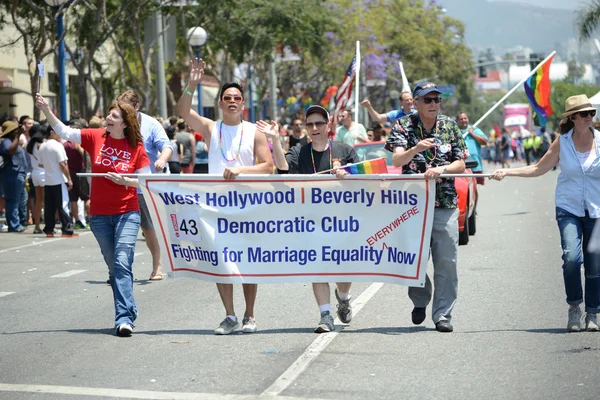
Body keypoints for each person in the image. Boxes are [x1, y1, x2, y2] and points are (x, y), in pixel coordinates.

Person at [36, 93, 151, 337]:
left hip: (127, 212)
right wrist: (46, 109)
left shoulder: (136, 147)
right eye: (108, 114)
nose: (107, 118)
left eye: (113, 116)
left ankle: (124, 318)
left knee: (121, 262)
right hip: (99, 215)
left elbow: (145, 181)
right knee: (115, 265)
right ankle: (128, 306)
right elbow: (65, 131)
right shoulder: (95, 136)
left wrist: (126, 181)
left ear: (125, 123)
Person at [177, 58, 273, 335]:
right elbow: (183, 111)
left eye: (237, 98)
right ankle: (229, 315)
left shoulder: (254, 131)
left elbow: (268, 167)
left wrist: (242, 170)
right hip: (216, 205)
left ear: (243, 104)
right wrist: (192, 84)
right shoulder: (210, 128)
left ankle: (250, 315)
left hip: (246, 206)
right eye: (227, 97)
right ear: (220, 103)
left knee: (247, 261)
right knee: (221, 260)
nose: (232, 101)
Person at [491, 94, 600, 332]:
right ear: (572, 117)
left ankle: (593, 313)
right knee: (572, 259)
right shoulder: (563, 142)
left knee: (595, 264)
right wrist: (507, 173)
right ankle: (574, 307)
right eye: (584, 114)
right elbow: (539, 168)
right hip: (568, 207)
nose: (590, 117)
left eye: (591, 113)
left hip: (596, 210)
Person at [384, 82, 468, 333]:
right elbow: (397, 159)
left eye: (437, 100)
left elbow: (460, 165)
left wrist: (441, 169)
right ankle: (420, 300)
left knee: (447, 261)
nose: (434, 104)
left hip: (445, 201)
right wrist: (416, 148)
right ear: (417, 103)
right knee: (416, 260)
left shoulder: (450, 126)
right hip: (413, 205)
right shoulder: (403, 125)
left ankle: (442, 314)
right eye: (428, 100)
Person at [264, 105, 355, 333]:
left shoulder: (344, 149)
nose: (314, 128)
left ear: (328, 126)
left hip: (342, 222)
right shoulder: (300, 152)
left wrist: (348, 174)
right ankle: (325, 315)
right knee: (318, 267)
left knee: (345, 271)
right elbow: (283, 169)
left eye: (319, 123)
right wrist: (275, 140)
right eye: (310, 124)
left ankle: (343, 297)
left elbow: (364, 178)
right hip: (311, 223)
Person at [117, 90, 174, 281]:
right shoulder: (115, 123)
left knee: (148, 228)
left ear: (137, 107)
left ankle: (157, 265)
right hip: (119, 184)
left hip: (143, 186)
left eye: (126, 109)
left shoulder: (151, 124)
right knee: (120, 229)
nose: (121, 113)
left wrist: (162, 160)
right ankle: (119, 269)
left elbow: (166, 146)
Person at [37, 125, 77, 238]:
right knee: (63, 205)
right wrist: (69, 179)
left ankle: (49, 229)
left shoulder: (42, 146)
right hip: (59, 180)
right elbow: (62, 164)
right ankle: (67, 229)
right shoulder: (58, 146)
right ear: (52, 132)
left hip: (48, 180)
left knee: (50, 206)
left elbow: (40, 163)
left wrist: (50, 165)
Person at [0, 121, 27, 232]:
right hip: (12, 174)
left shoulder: (12, 140)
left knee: (18, 200)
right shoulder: (5, 141)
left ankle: (17, 222)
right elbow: (10, 150)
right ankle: (14, 225)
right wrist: (17, 136)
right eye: (14, 130)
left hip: (18, 174)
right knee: (12, 200)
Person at [456, 112, 488, 184]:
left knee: (475, 189)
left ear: (468, 119)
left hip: (476, 166)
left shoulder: (475, 130)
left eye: (465, 118)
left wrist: (472, 134)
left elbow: (484, 142)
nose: (464, 120)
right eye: (461, 119)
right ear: (457, 121)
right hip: (461, 167)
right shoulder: (454, 131)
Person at [25, 126, 46, 233]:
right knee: (46, 201)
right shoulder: (41, 145)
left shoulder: (29, 145)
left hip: (35, 173)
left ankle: (37, 225)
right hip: (43, 173)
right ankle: (47, 225)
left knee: (38, 201)